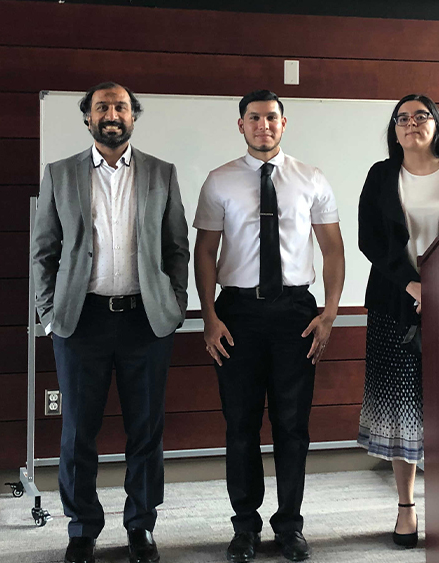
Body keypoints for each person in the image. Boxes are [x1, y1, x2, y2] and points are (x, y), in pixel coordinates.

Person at [31, 81, 189, 563]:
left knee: (146, 430)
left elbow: (177, 247)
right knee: (78, 431)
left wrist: (175, 303)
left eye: (120, 106)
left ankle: (140, 526)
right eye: (102, 107)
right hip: (81, 322)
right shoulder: (60, 174)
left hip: (146, 321)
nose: (112, 113)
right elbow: (44, 251)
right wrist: (49, 313)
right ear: (88, 118)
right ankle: (82, 529)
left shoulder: (161, 173)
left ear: (134, 116)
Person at [193, 90, 345, 562]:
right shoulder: (219, 181)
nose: (264, 125)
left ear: (285, 123)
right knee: (240, 424)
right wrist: (209, 316)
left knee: (292, 425)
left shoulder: (311, 179)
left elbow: (334, 250)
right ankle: (244, 528)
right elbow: (204, 252)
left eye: (271, 118)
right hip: (237, 313)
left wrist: (331, 312)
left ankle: (290, 526)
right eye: (254, 118)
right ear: (241, 125)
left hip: (296, 314)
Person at [356, 94, 439, 548]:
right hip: (395, 304)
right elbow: (370, 240)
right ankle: (406, 509)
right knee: (402, 409)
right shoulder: (381, 175)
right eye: (402, 118)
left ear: (436, 124)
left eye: (421, 115)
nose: (412, 123)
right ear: (394, 130)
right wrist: (413, 285)